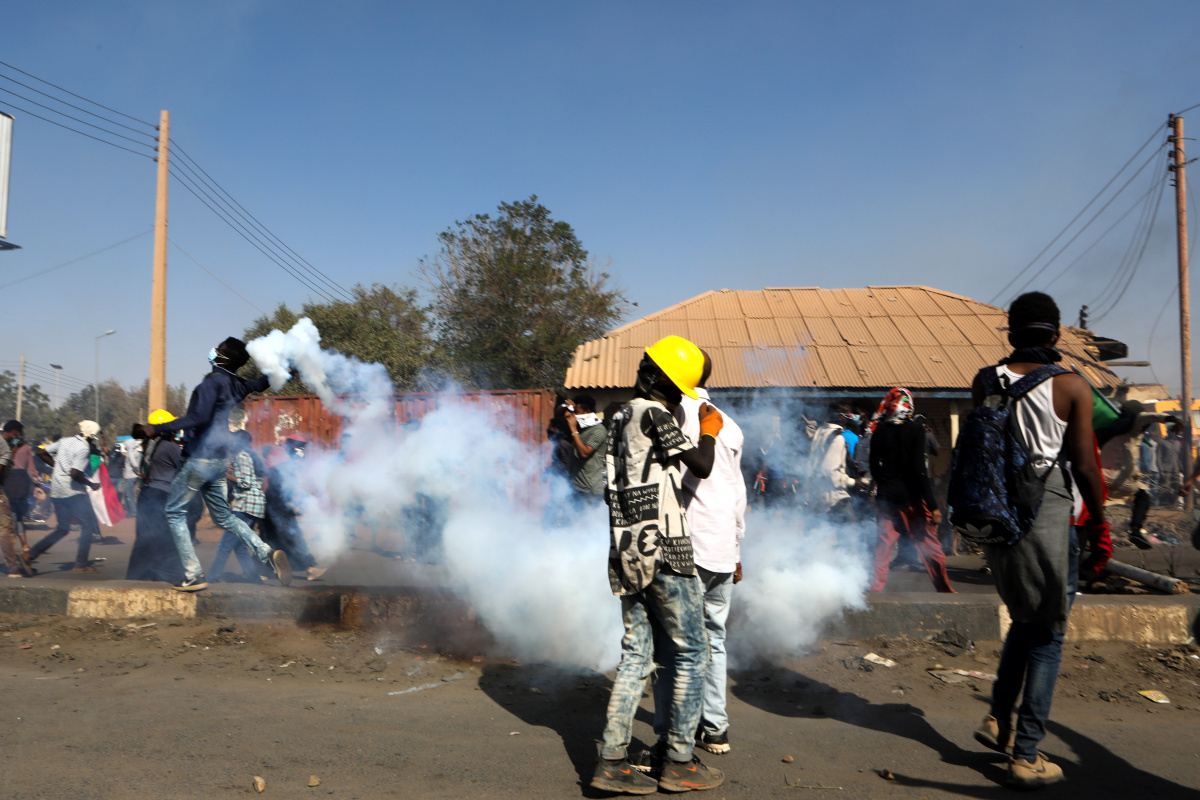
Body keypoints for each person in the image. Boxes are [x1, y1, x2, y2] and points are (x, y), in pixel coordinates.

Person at [970, 291, 1109, 789]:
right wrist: (1100, 526)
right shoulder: (1072, 386)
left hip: (997, 517)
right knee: (1049, 633)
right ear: (1055, 333)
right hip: (1048, 515)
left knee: (1024, 623)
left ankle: (998, 722)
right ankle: (1026, 755)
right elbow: (1086, 465)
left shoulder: (984, 381)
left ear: (1011, 333)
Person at [592, 335, 725, 795]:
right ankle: (680, 760)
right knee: (693, 652)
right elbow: (702, 465)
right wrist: (709, 428)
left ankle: (611, 759)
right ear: (667, 385)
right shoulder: (656, 413)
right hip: (665, 548)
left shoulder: (618, 416)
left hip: (627, 550)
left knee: (636, 656)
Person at [645, 349, 745, 761]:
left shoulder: (671, 411)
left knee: (671, 646)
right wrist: (738, 545)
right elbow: (737, 491)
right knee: (714, 640)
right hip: (723, 546)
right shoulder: (730, 424)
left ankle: (668, 735)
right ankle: (715, 728)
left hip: (687, 545)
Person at [134, 337, 291, 591]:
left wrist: (154, 428)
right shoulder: (234, 384)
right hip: (219, 461)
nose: (213, 351)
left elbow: (198, 417)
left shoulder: (211, 384)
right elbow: (260, 383)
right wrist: (285, 368)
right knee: (225, 517)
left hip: (199, 459)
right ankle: (266, 553)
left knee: (174, 512)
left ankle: (193, 574)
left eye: (218, 349)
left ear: (222, 358)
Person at [867, 388, 955, 593]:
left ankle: (875, 588)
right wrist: (933, 506)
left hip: (887, 499)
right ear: (909, 405)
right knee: (930, 548)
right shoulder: (916, 430)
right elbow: (918, 471)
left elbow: (874, 467)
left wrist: (884, 485)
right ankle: (944, 590)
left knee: (883, 547)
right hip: (912, 498)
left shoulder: (879, 430)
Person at [28, 421, 105, 574]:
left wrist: (56, 465)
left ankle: (30, 555)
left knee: (62, 528)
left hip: (57, 490)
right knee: (88, 526)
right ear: (92, 437)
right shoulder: (83, 448)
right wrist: (91, 484)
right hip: (73, 492)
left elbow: (41, 452)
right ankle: (80, 564)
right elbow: (75, 473)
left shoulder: (65, 441)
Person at [126, 411, 185, 584]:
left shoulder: (149, 446)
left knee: (144, 539)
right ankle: (176, 575)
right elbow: (187, 468)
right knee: (165, 537)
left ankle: (134, 578)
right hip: (161, 497)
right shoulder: (170, 448)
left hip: (147, 495)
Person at [261, 438, 326, 581]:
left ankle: (263, 572)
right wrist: (292, 501)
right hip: (277, 502)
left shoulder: (280, 456)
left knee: (270, 537)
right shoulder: (283, 459)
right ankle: (310, 567)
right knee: (293, 535)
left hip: (271, 500)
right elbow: (281, 485)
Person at [210, 429, 267, 582]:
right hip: (252, 505)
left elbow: (246, 482)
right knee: (239, 546)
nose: (232, 443)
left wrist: (225, 475)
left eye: (234, 441)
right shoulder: (249, 456)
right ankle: (254, 578)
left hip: (245, 505)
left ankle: (213, 576)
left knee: (225, 544)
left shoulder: (242, 456)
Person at [805, 401, 866, 524]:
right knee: (850, 531)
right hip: (834, 495)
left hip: (817, 491)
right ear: (839, 417)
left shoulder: (819, 432)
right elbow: (829, 471)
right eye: (848, 416)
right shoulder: (838, 438)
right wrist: (852, 482)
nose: (851, 418)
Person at [0, 421, 34, 578]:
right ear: (14, 432)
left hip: (10, 486)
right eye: (18, 434)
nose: (18, 437)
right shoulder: (5, 448)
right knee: (6, 527)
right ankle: (13, 567)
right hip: (9, 488)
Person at [563, 394, 607, 504]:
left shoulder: (599, 430)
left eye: (576, 412)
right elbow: (561, 413)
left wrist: (573, 429)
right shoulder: (581, 428)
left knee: (586, 520)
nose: (574, 416)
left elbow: (584, 453)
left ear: (587, 411)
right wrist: (567, 406)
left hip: (589, 490)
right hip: (576, 487)